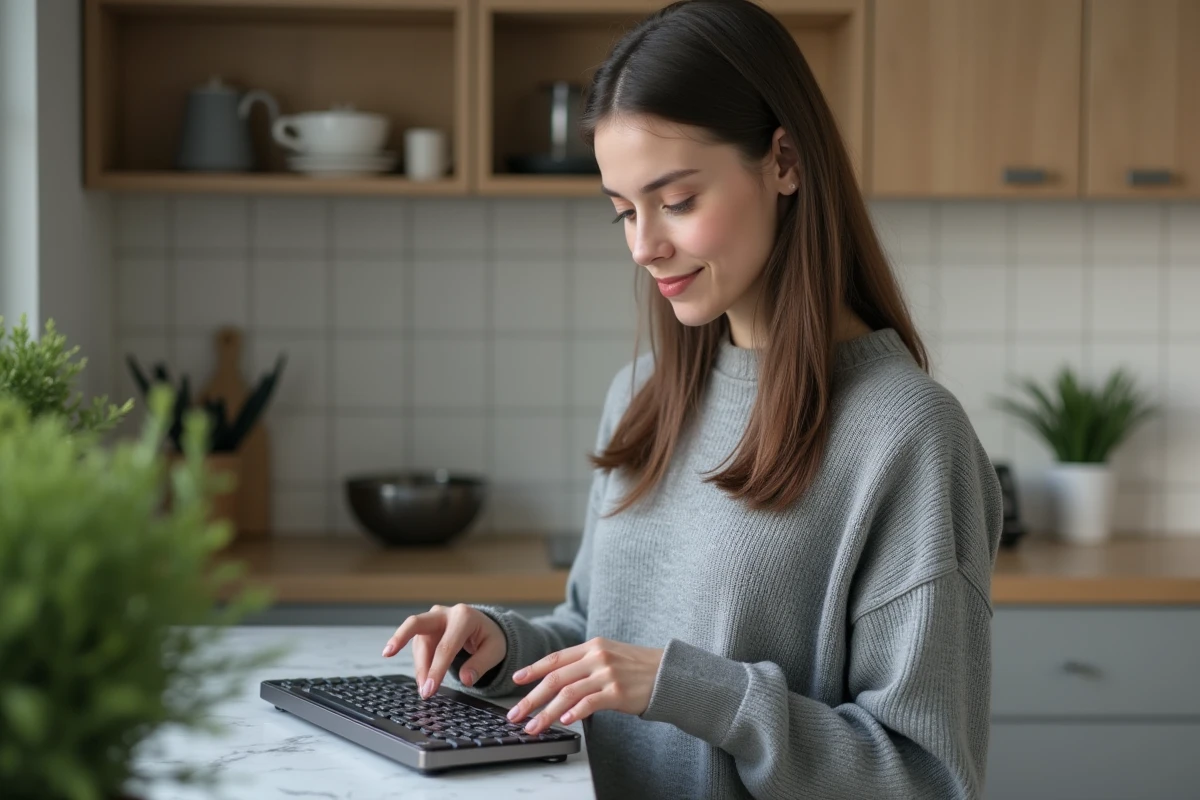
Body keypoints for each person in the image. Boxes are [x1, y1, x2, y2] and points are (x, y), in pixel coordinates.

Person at [381, 0, 1003, 797]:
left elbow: (922, 777)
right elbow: (600, 639)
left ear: (784, 162)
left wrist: (687, 688)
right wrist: (504, 646)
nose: (644, 246)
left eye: (675, 202)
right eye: (623, 212)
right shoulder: (643, 396)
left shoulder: (908, 435)